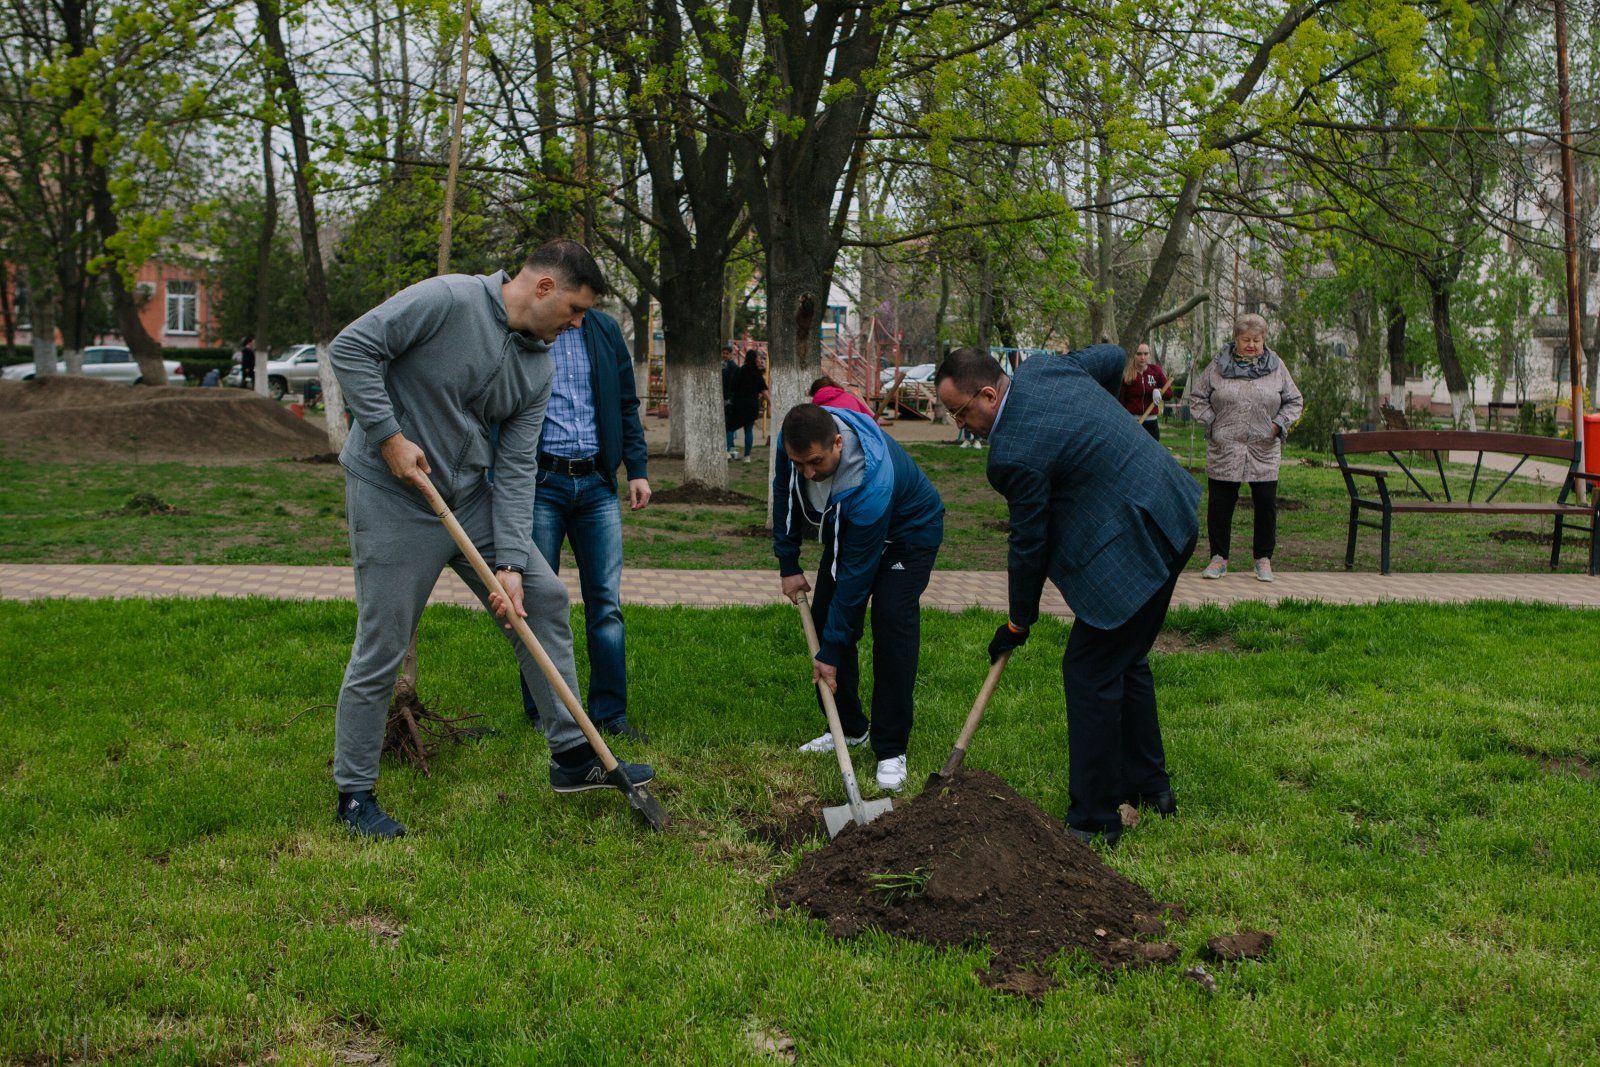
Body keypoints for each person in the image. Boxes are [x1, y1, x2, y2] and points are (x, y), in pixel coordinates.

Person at [325, 239, 652, 840]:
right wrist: (389, 436)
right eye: (576, 310)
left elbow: (520, 466)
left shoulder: (539, 364)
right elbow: (351, 349)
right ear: (544, 288)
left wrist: (509, 563)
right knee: (383, 640)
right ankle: (354, 795)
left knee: (544, 598)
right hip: (395, 495)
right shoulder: (447, 299)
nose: (579, 325)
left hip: (470, 496)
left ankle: (572, 755)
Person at [934, 345, 1200, 846]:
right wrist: (1088, 433)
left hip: (1137, 542)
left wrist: (1018, 622)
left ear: (988, 395)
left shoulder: (1012, 453)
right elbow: (1112, 356)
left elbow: (1029, 544)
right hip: (1172, 504)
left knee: (1090, 670)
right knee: (1125, 658)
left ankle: (1095, 821)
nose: (961, 425)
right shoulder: (1046, 369)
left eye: (961, 412)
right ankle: (1151, 790)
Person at [772, 402, 944, 791]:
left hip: (908, 535)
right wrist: (788, 563)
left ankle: (890, 748)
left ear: (838, 442)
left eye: (815, 462)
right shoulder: (796, 445)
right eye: (800, 464)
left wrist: (831, 652)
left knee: (891, 623)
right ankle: (849, 729)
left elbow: (855, 579)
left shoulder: (872, 478)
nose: (808, 473)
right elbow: (783, 493)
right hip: (850, 527)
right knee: (824, 618)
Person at [516, 307, 652, 743]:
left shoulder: (605, 328)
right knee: (538, 601)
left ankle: (610, 714)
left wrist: (637, 468)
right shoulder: (527, 327)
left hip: (597, 484)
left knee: (606, 605)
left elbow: (626, 402)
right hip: (542, 483)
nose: (578, 315)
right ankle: (545, 711)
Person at [1186, 314, 1304, 584]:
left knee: (1265, 503)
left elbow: (1294, 401)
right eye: (1245, 340)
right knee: (1220, 504)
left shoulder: (1276, 367)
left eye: (1256, 340)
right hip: (1225, 447)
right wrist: (1212, 422)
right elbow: (1197, 398)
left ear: (1264, 340)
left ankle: (1263, 559)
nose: (1251, 345)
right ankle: (1218, 558)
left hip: (1263, 447)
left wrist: (1278, 424)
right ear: (1235, 339)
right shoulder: (1217, 366)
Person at [1119, 342, 1168, 440]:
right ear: (1134, 354)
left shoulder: (1156, 371)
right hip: (1133, 423)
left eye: (1146, 354)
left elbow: (1169, 394)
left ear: (1149, 354)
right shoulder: (1127, 374)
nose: (1142, 357)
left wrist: (1159, 392)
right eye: (1139, 354)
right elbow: (1121, 401)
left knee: (1152, 453)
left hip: (1151, 423)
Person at [726, 350, 767, 462]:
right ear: (754, 359)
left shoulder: (740, 371)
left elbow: (732, 387)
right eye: (758, 357)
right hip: (752, 405)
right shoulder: (757, 373)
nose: (759, 360)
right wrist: (771, 402)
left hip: (738, 404)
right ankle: (747, 456)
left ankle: (728, 453)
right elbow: (764, 391)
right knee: (748, 430)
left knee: (730, 428)